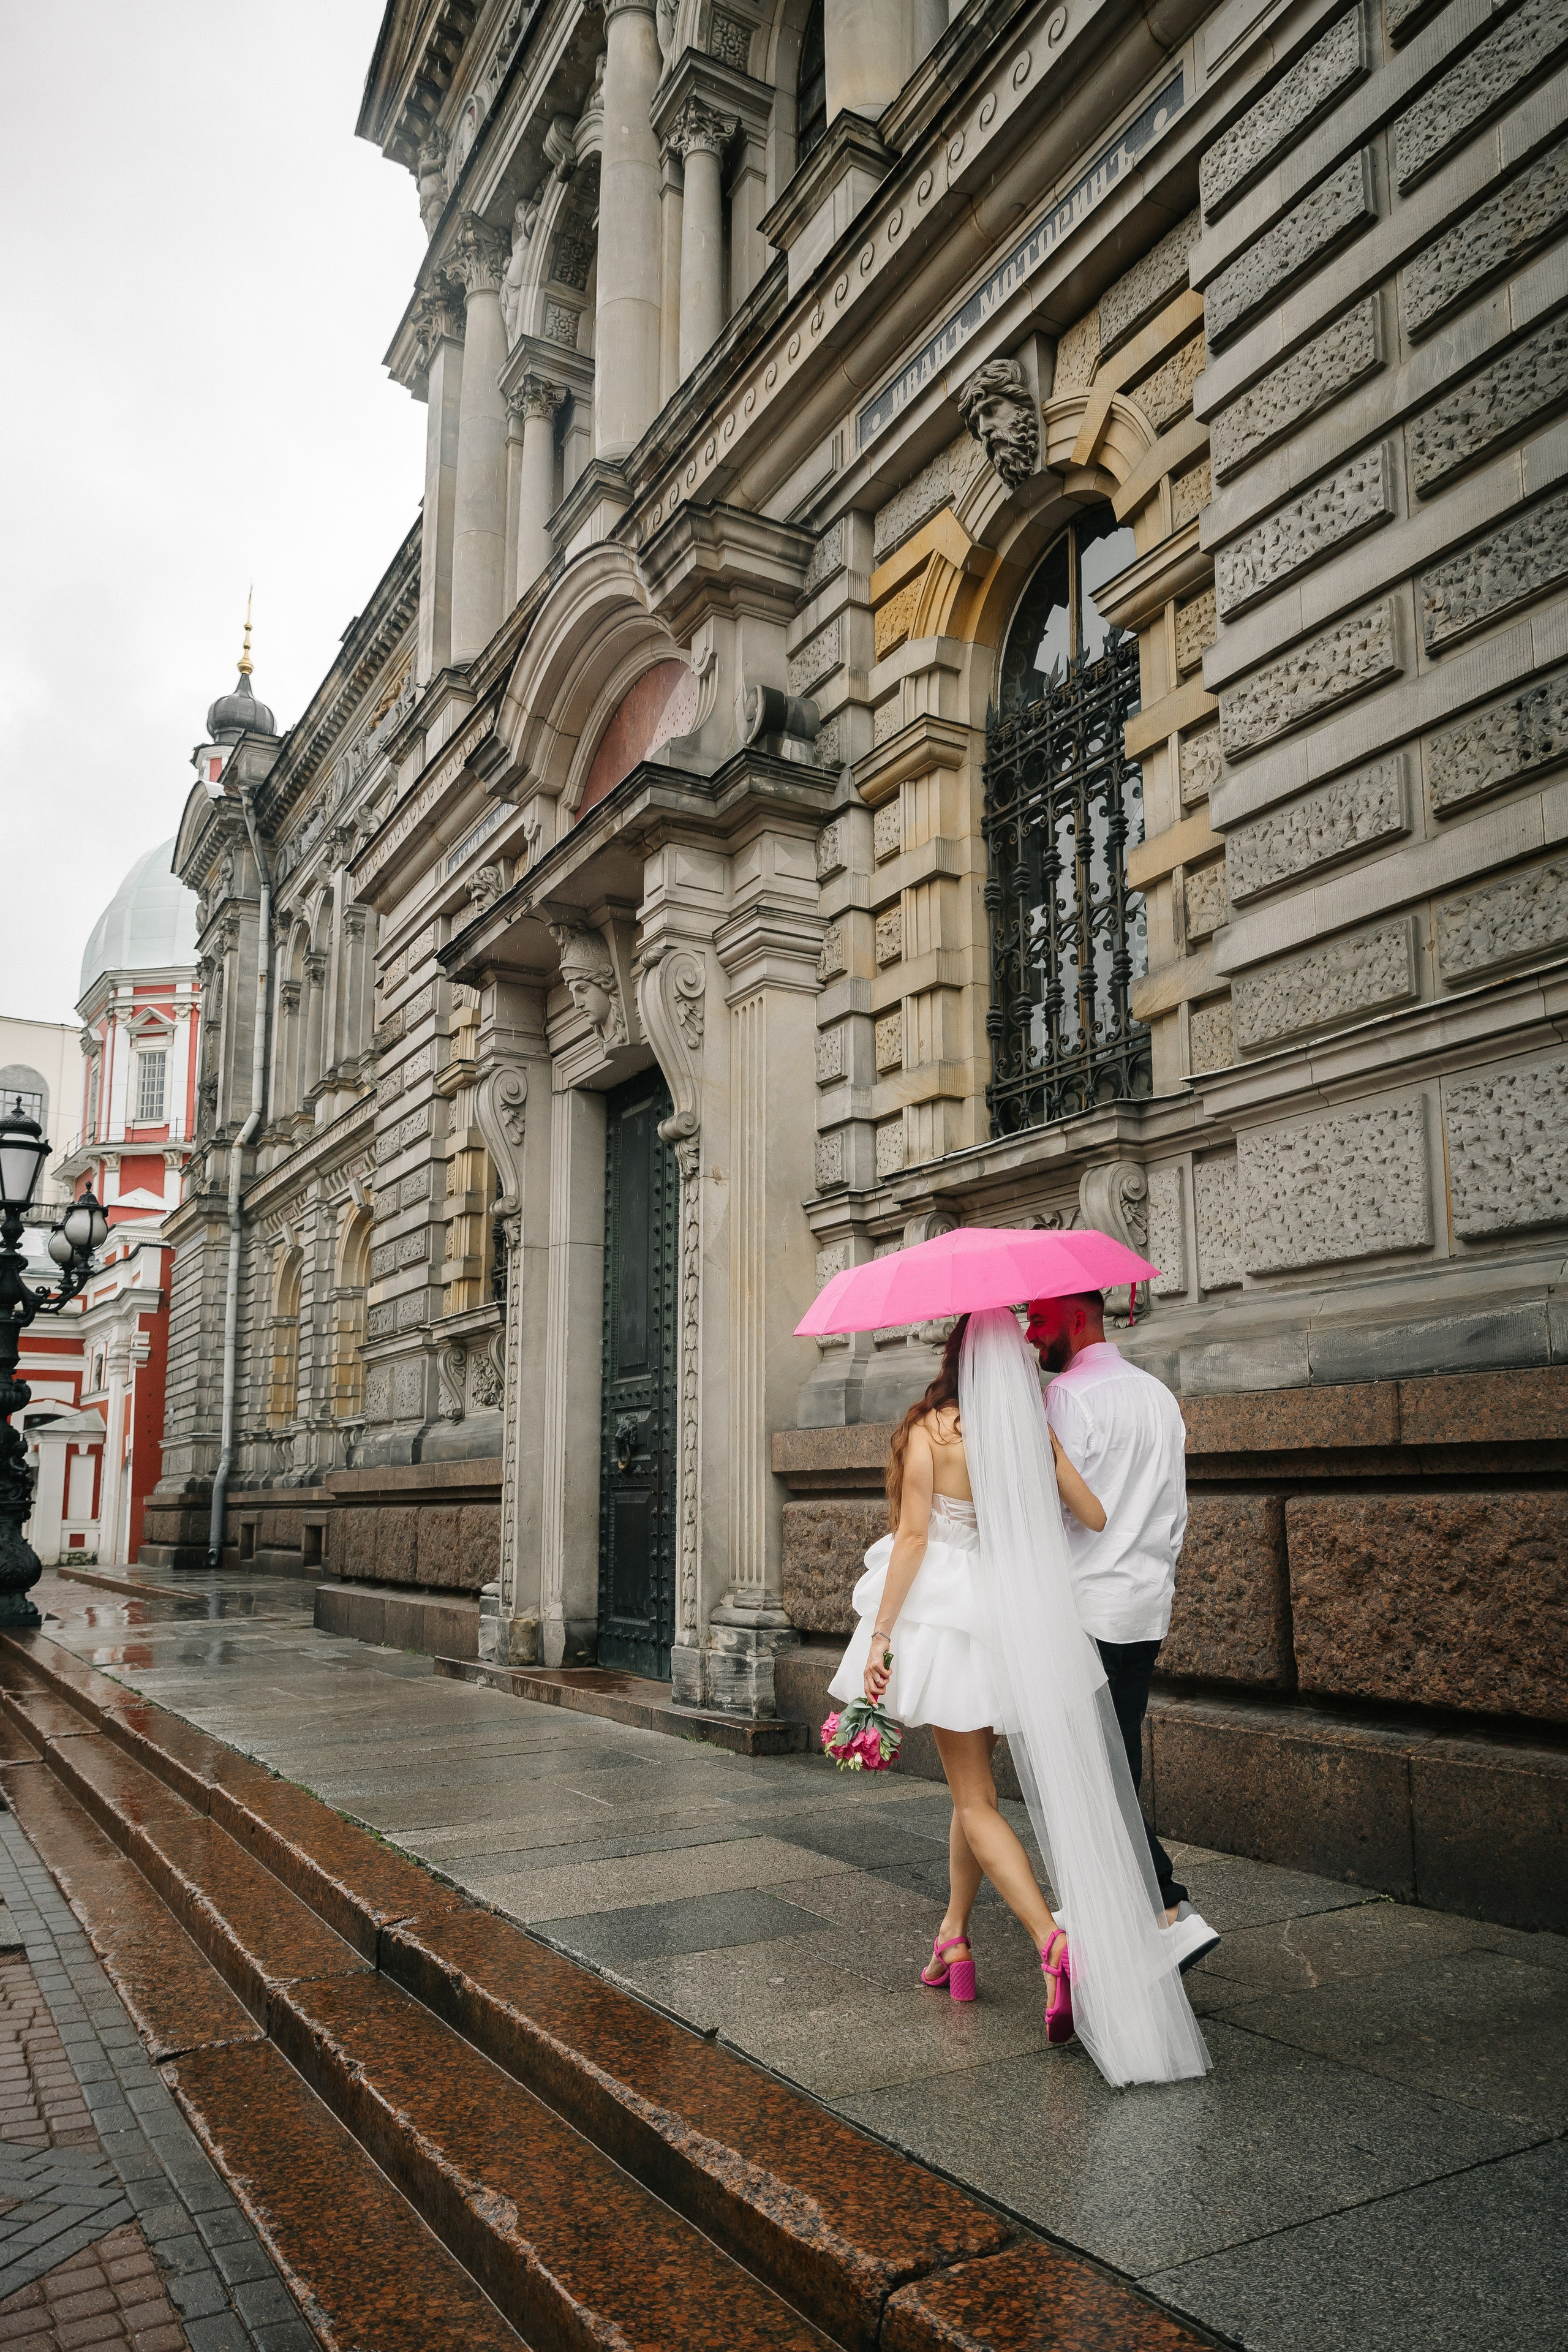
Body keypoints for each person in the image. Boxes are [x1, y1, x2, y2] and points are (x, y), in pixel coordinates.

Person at [829, 1308, 1210, 2088]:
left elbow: (910, 1540)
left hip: (949, 1617)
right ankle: (954, 1938)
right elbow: (1095, 1517)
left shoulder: (930, 1431)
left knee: (973, 1798)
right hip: (1020, 1625)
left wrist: (880, 1638)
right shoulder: (1028, 1436)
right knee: (975, 1792)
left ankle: (1050, 1942)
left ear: (956, 1357)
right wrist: (1048, 1456)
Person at [1027, 1290, 1220, 1973]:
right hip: (1143, 1604)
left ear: (1078, 1318)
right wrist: (1156, 1578)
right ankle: (1103, 1904)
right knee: (1115, 1759)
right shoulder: (1156, 1395)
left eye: (1039, 1320)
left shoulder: (1066, 1400)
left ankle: (1169, 1909)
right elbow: (1176, 1507)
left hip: (1084, 1605)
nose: (1029, 1333)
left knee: (1096, 1769)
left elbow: (1054, 1511)